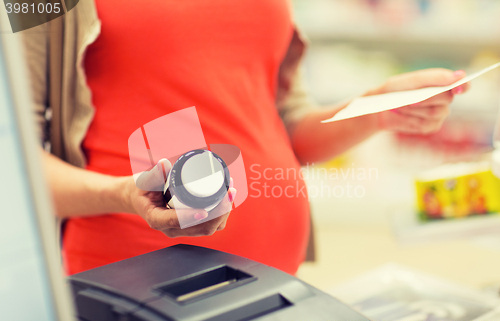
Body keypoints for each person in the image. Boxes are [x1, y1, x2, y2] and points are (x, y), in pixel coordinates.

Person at [21, 0, 469, 275]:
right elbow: (12, 162)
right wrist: (125, 193)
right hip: (137, 283)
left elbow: (279, 123)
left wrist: (373, 111)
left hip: (272, 280)